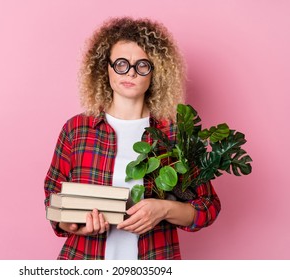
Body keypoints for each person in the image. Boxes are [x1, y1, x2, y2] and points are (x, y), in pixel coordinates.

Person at [44, 17, 221, 260]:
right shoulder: (77, 129)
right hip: (84, 258)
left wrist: (164, 209)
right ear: (105, 67)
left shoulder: (174, 134)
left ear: (155, 72)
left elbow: (207, 207)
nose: (130, 73)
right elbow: (53, 195)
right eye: (121, 64)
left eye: (142, 66)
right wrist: (72, 225)